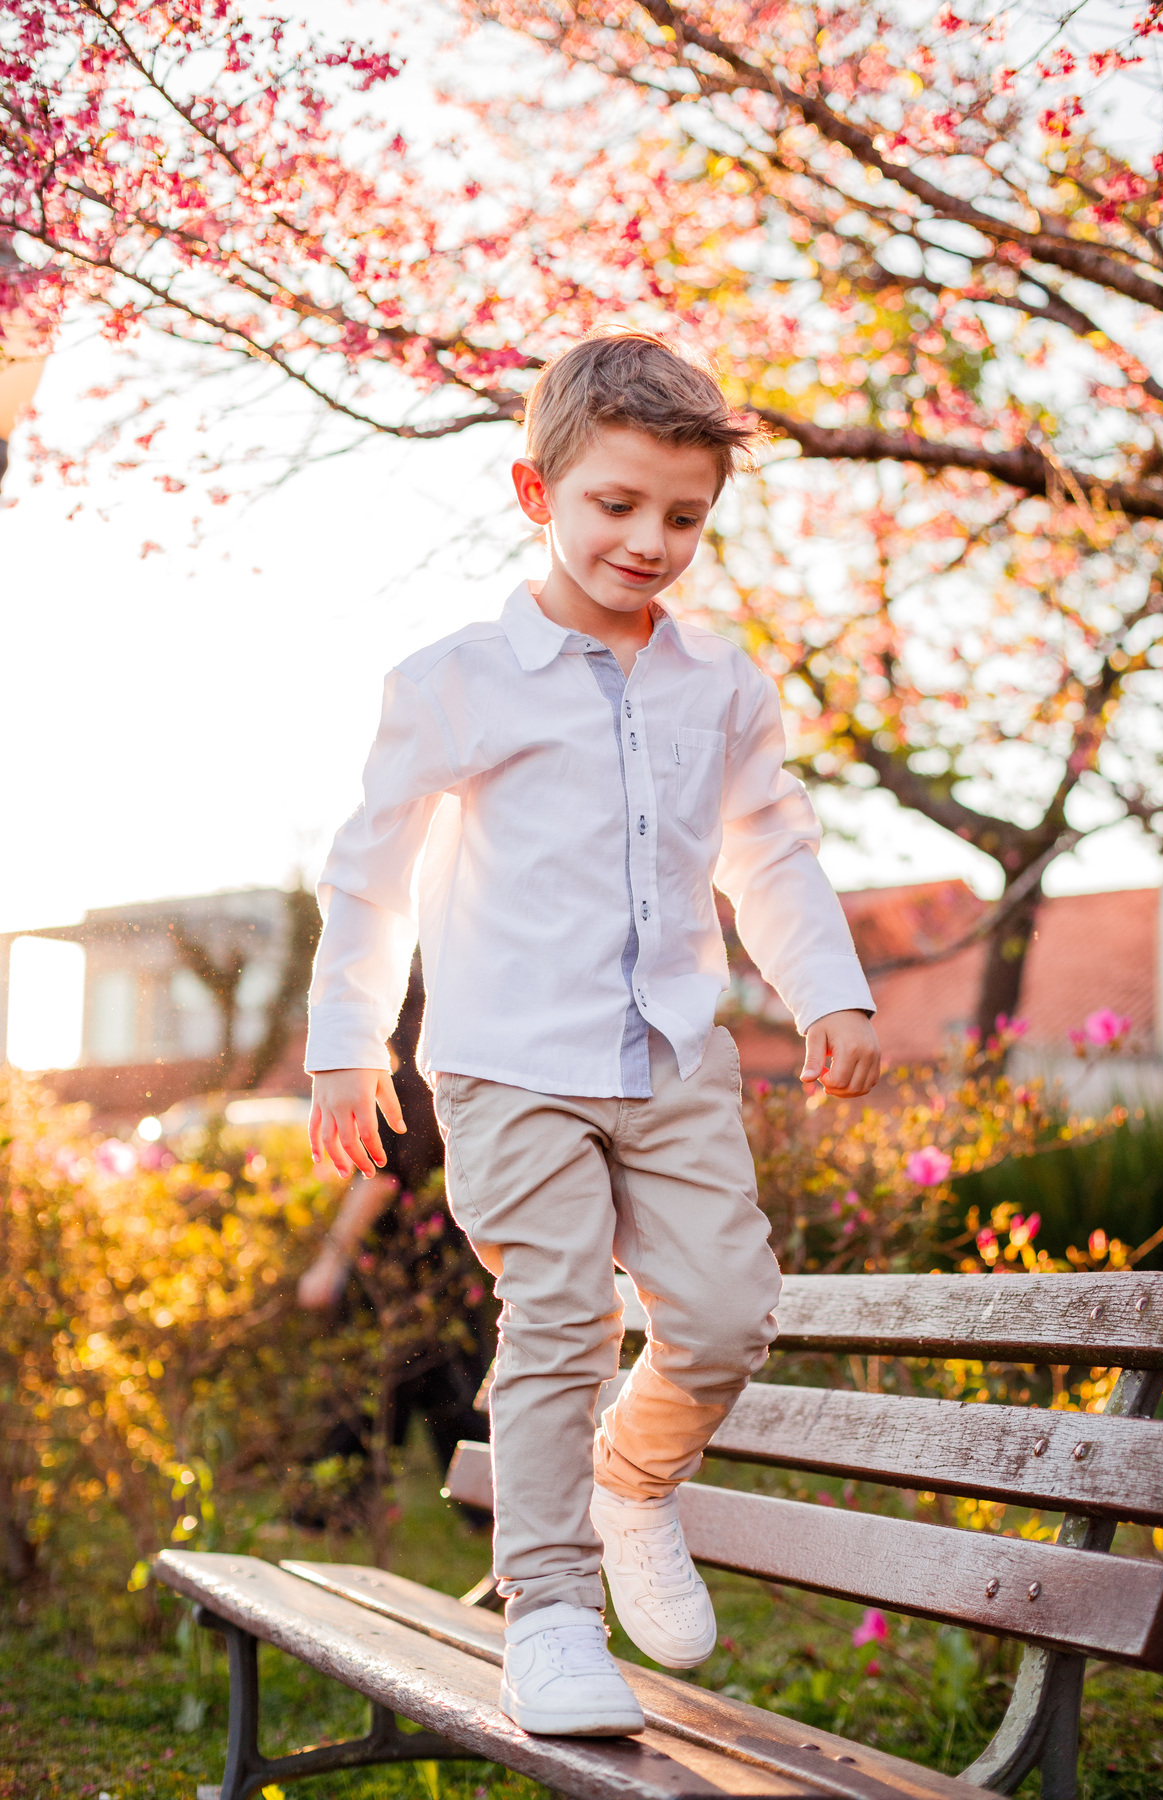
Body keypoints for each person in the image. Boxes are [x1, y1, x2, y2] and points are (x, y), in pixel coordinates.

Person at [306, 330, 880, 1738]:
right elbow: (372, 869)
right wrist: (345, 1041)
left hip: (674, 1060)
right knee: (557, 1311)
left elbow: (774, 855)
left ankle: (632, 1486)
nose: (651, 540)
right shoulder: (456, 680)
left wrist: (832, 988)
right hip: (508, 1064)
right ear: (536, 492)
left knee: (731, 1313)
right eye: (616, 505)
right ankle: (552, 1606)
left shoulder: (722, 689)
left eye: (683, 517)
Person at [298, 961, 492, 1489]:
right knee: (450, 1380)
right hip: (449, 1257)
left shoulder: (395, 1086)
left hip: (396, 1264)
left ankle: (332, 1506)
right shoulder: (452, 1081)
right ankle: (489, 1504)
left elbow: (380, 1179)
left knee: (371, 1383)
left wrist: (327, 1264)